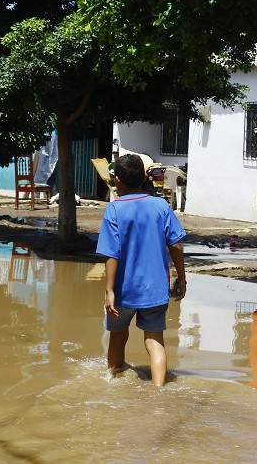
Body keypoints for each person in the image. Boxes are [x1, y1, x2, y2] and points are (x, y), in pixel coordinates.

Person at [96, 153, 187, 386]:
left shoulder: (114, 210)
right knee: (155, 340)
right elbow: (175, 245)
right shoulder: (161, 206)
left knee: (118, 336)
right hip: (155, 290)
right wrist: (182, 280)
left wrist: (109, 291)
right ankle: (159, 391)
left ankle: (113, 383)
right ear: (143, 177)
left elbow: (111, 253)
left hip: (123, 291)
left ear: (117, 181)